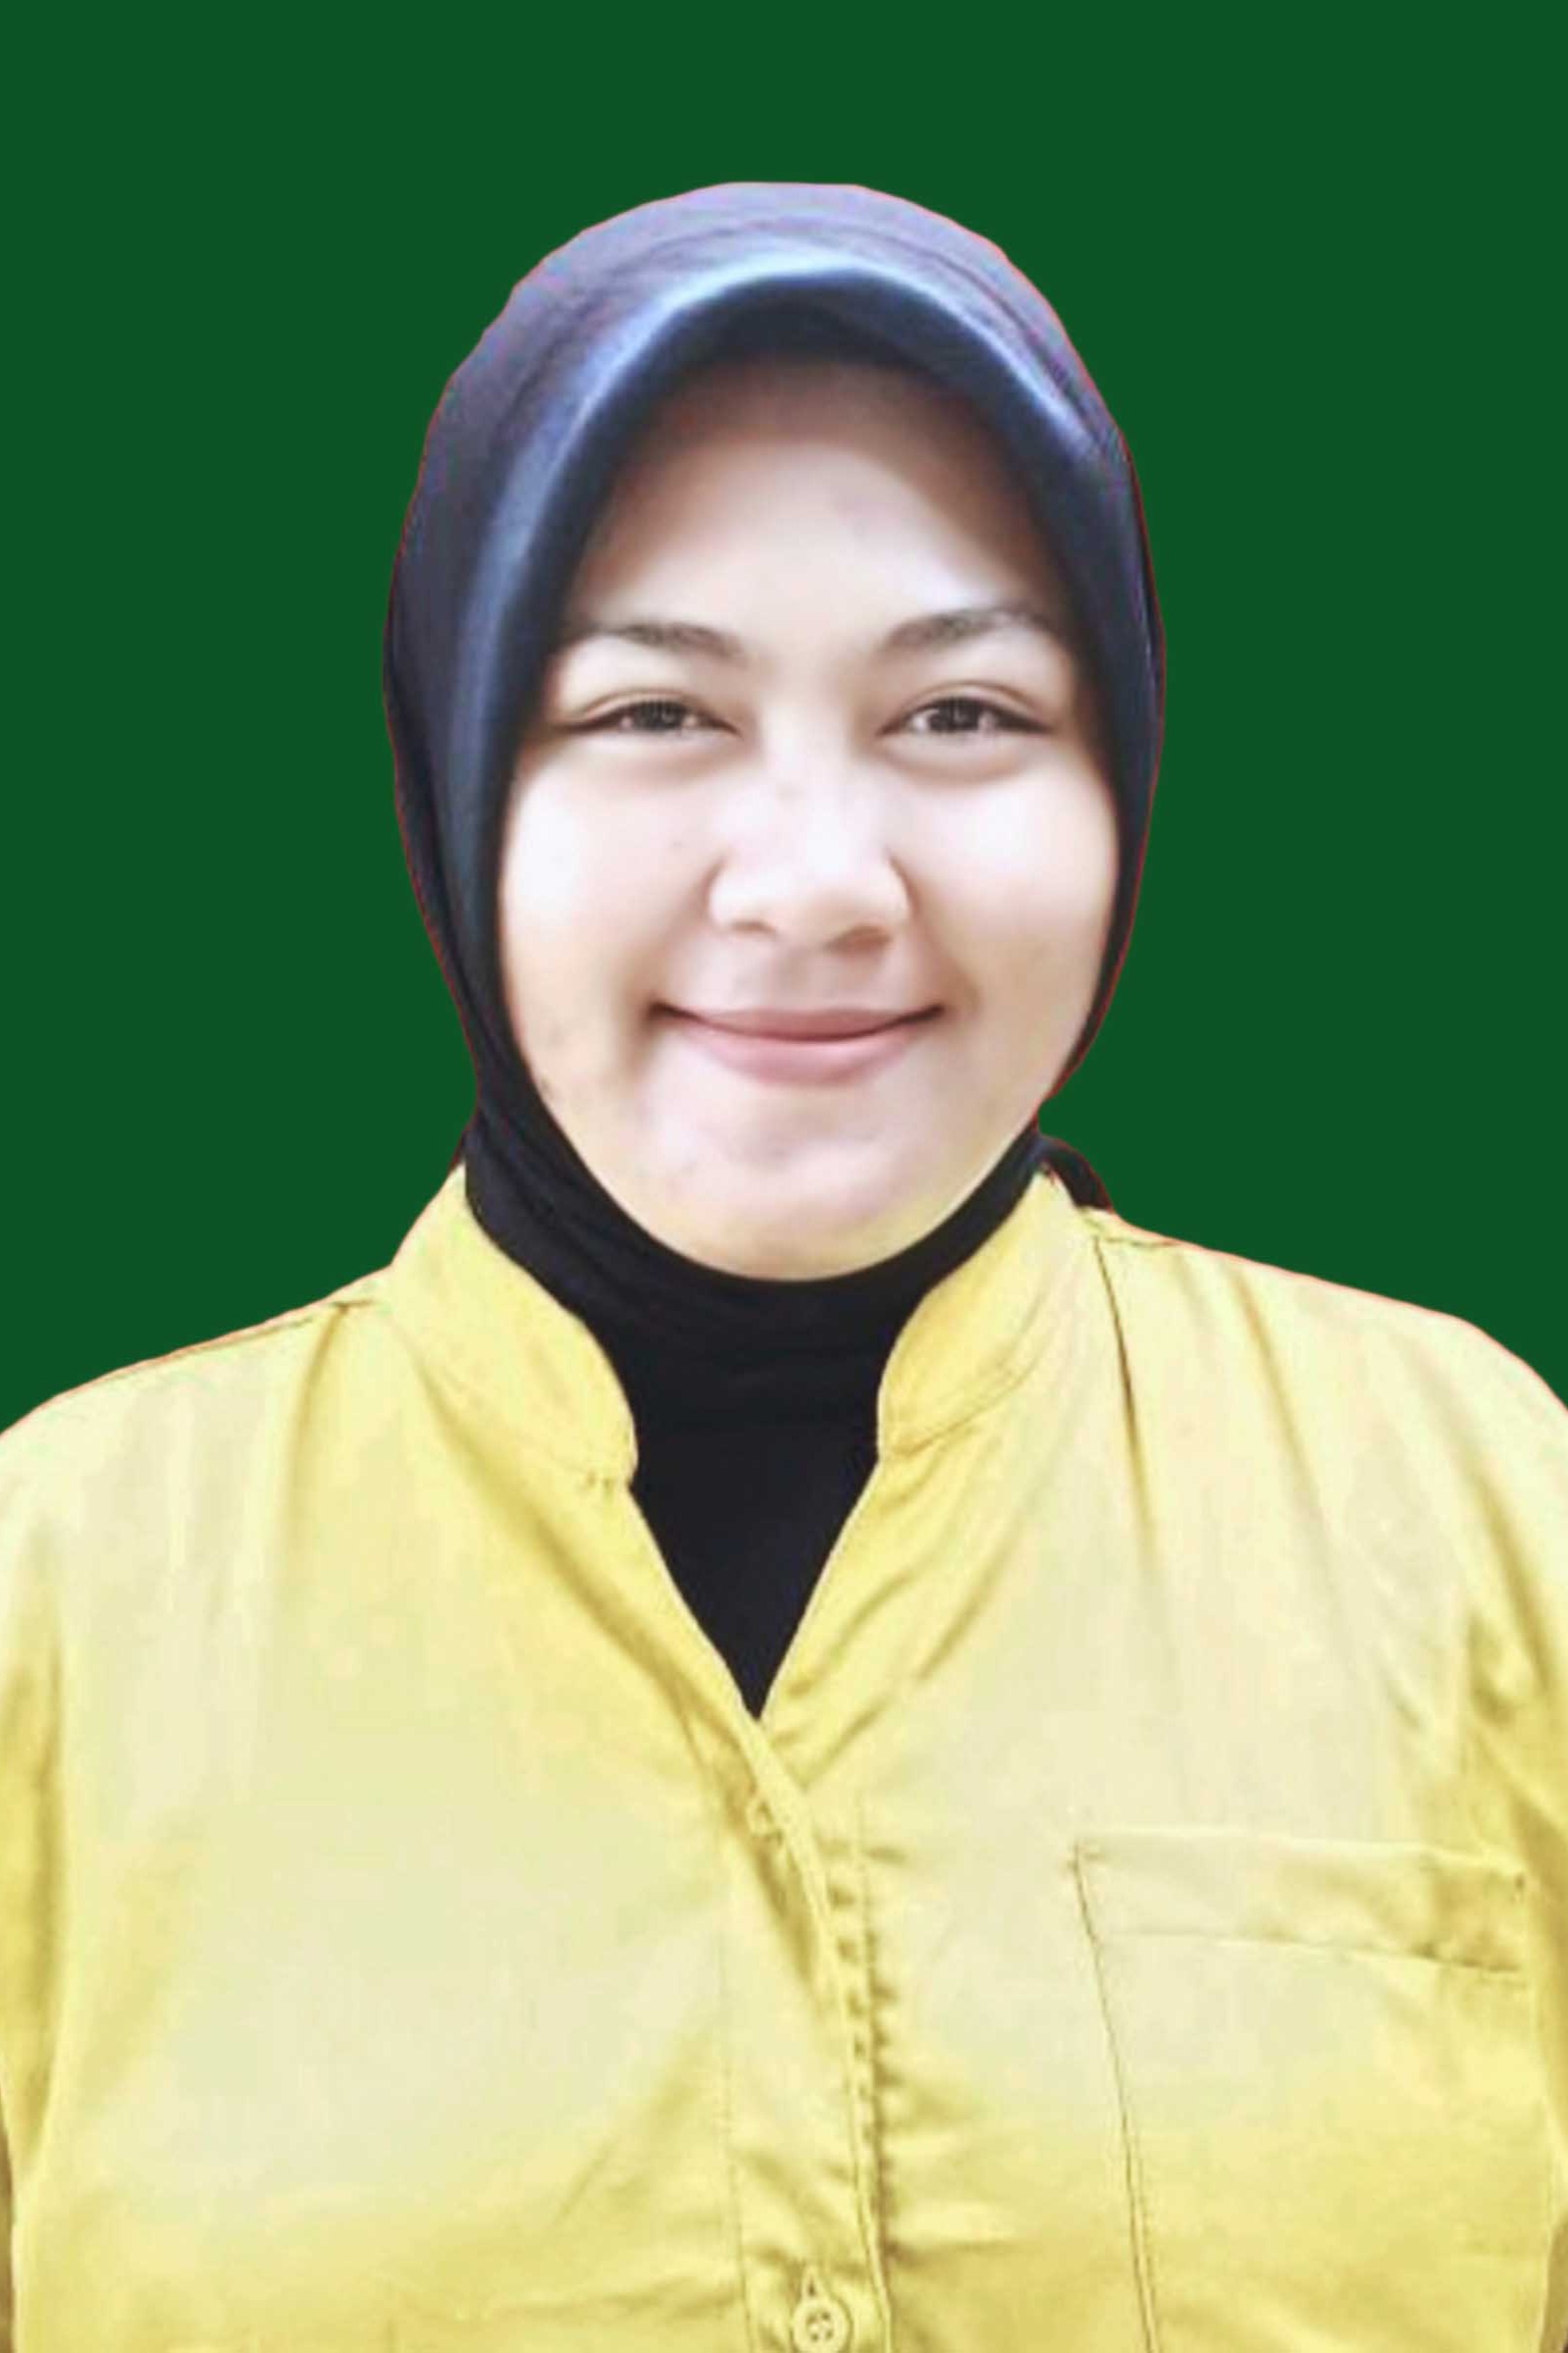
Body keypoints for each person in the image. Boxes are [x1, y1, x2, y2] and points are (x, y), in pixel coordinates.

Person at [0, 181, 1562, 2352]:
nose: (818, 881)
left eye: (963, 714)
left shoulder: (1484, 1511)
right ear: (458, 780)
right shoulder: (56, 1597)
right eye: (652, 714)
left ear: (1123, 777)